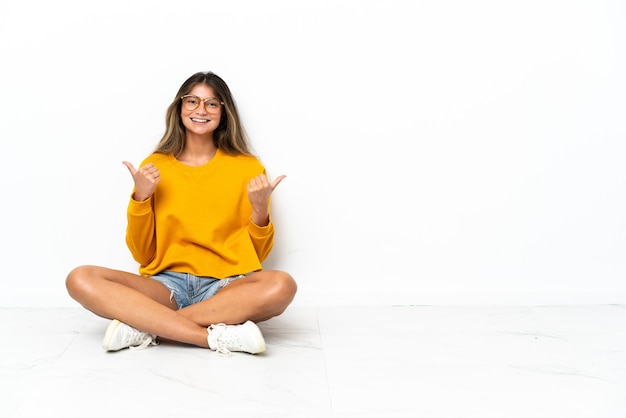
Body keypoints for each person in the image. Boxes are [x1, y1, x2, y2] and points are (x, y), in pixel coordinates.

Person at [66, 71, 297, 355]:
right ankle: (213, 337)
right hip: (165, 287)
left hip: (224, 289)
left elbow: (257, 258)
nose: (201, 110)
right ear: (180, 108)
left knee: (282, 285)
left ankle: (146, 326)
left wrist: (260, 210)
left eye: (212, 104)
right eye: (192, 101)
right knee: (80, 278)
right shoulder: (154, 165)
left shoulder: (248, 168)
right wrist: (141, 197)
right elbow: (141, 254)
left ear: (224, 113)